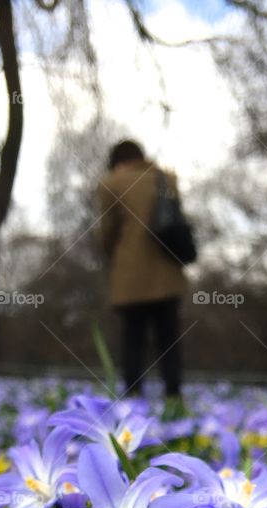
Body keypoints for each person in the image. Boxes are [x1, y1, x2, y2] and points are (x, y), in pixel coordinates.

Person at [98, 140, 187, 401]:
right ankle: (174, 394)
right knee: (168, 338)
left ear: (119, 163)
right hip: (167, 274)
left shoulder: (111, 184)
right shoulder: (167, 179)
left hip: (131, 277)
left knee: (133, 339)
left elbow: (107, 234)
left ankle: (133, 396)